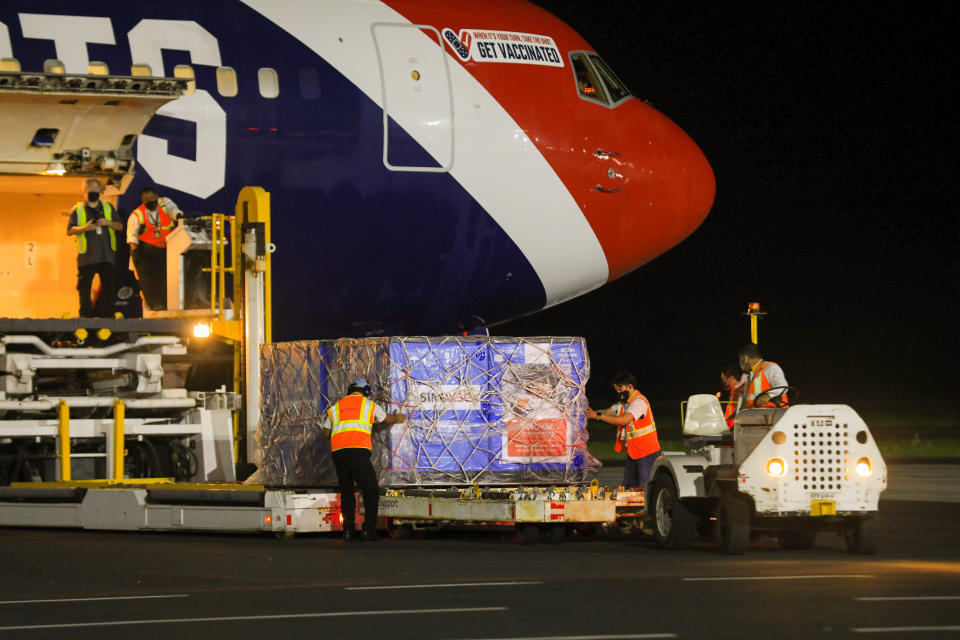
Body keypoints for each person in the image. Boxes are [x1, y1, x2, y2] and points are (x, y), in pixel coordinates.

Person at [323, 378, 405, 542]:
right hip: (358, 451)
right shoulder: (368, 405)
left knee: (347, 492)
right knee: (370, 489)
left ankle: (348, 531)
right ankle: (368, 529)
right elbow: (386, 419)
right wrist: (397, 418)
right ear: (365, 391)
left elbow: (326, 432)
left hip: (338, 453)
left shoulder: (336, 407)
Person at [587, 372, 660, 489]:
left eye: (620, 389)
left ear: (630, 387)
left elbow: (623, 420)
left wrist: (598, 416)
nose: (618, 392)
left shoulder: (639, 402)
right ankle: (632, 506)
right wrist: (594, 413)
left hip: (647, 450)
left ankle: (648, 506)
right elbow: (609, 411)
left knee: (647, 484)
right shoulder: (625, 402)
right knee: (629, 484)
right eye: (616, 389)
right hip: (634, 449)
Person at [66, 178, 123, 318]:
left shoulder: (108, 208)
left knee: (108, 287)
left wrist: (107, 222)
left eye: (96, 188)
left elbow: (120, 226)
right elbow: (69, 230)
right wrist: (86, 227)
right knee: (84, 288)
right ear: (84, 192)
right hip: (87, 257)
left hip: (107, 256)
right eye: (89, 189)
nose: (93, 191)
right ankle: (86, 316)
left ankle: (105, 314)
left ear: (100, 191)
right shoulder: (77, 209)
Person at [126, 186, 182, 310]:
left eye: (152, 198)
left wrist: (178, 216)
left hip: (163, 251)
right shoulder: (137, 215)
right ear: (142, 200)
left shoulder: (164, 203)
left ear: (156, 196)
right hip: (144, 253)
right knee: (148, 281)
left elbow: (173, 211)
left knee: (166, 279)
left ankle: (168, 304)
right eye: (146, 200)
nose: (150, 201)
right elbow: (132, 239)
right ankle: (155, 305)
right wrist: (138, 261)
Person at [738, 343, 789, 408]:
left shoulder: (770, 367)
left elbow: (783, 386)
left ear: (745, 358)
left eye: (740, 359)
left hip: (775, 412)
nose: (739, 363)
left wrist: (768, 395)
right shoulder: (750, 375)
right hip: (756, 413)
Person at [719, 364, 744, 428]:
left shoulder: (739, 392)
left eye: (723, 379)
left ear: (731, 378)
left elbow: (738, 414)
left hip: (735, 429)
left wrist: (724, 422)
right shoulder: (735, 392)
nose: (723, 381)